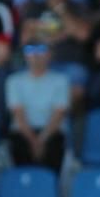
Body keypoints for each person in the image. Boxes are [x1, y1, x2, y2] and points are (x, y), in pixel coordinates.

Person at [5, 42, 71, 170]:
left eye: (41, 50)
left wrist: (41, 140)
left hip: (51, 132)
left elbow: (59, 114)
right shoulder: (14, 81)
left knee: (54, 148)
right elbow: (18, 114)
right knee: (19, 147)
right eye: (30, 50)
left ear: (50, 54)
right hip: (23, 132)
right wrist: (33, 141)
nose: (35, 55)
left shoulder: (61, 80)